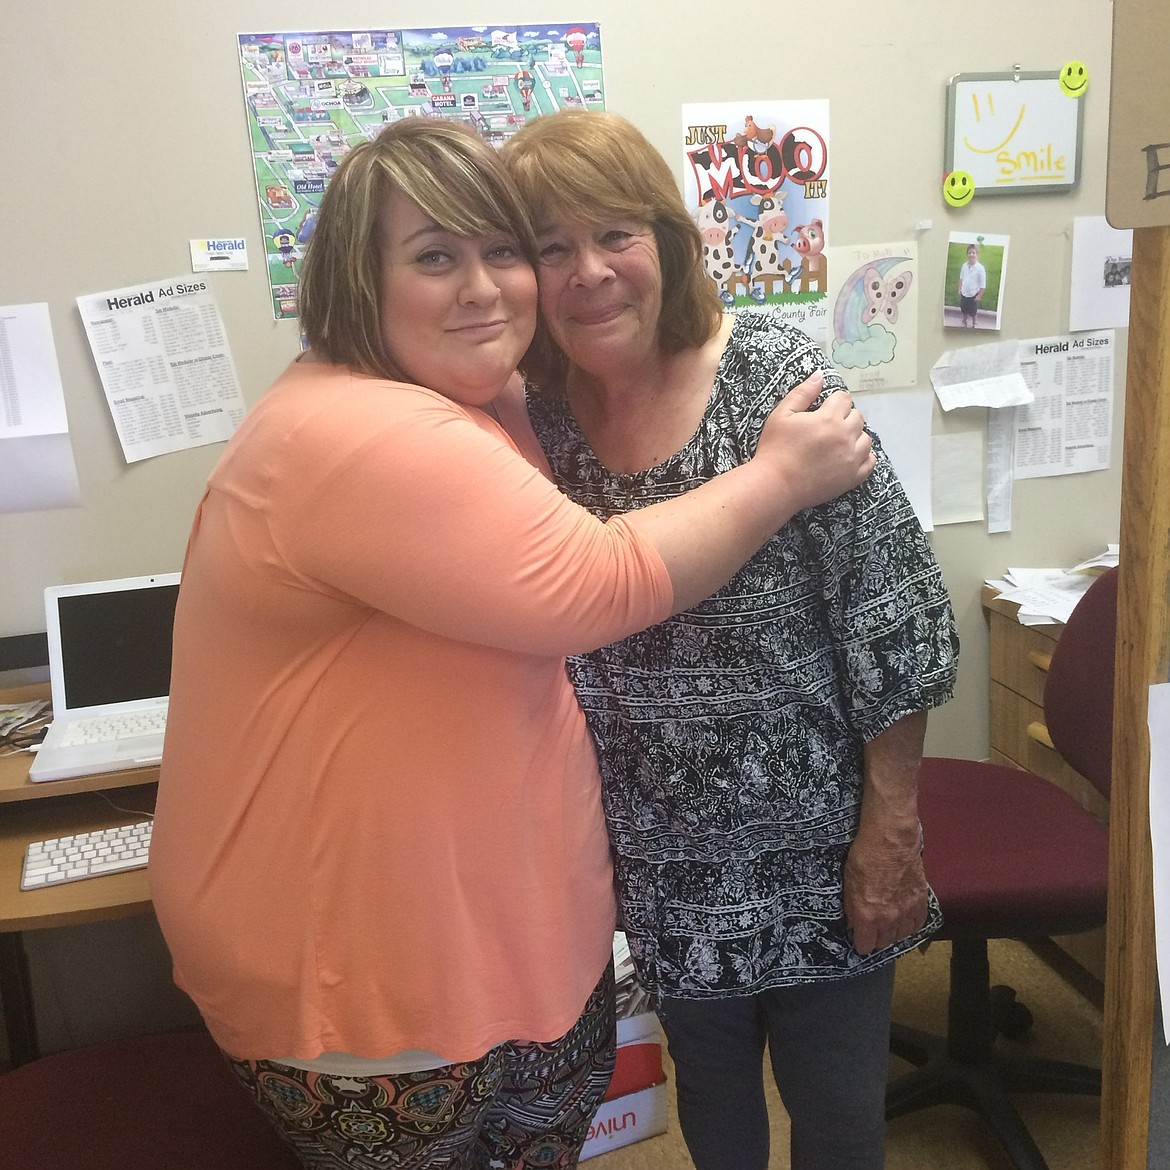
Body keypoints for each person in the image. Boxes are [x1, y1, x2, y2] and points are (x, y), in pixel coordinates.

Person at [148, 116, 875, 1170]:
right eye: (436, 255)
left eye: (502, 251)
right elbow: (598, 581)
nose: (485, 286)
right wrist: (779, 477)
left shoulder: (495, 404)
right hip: (368, 988)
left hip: (516, 950)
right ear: (361, 278)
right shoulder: (361, 432)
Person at [500, 109, 959, 1170]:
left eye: (613, 234)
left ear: (670, 239)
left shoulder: (774, 383)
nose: (588, 273)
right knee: (711, 1103)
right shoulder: (541, 419)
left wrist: (890, 834)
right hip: (657, 867)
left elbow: (901, 625)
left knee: (838, 1119)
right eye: (550, 248)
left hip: (816, 851)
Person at [958, 242, 986, 327]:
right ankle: (964, 320)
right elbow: (961, 278)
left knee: (973, 311)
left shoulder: (980, 268)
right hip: (964, 293)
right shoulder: (964, 266)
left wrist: (979, 296)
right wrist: (960, 288)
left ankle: (974, 322)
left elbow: (982, 285)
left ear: (977, 255)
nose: (971, 255)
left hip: (973, 295)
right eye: (969, 253)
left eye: (973, 253)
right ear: (967, 254)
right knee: (964, 309)